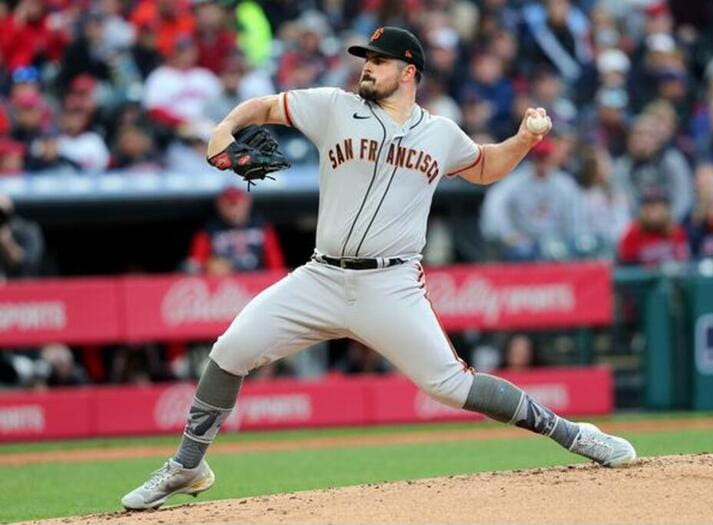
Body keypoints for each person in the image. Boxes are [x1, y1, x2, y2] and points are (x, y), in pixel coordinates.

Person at [121, 26, 636, 512]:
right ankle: (187, 465)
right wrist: (223, 129)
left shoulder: (440, 132)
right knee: (231, 350)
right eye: (366, 59)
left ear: (408, 70)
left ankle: (574, 434)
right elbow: (264, 106)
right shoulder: (334, 107)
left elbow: (483, 167)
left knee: (452, 386)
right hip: (321, 277)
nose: (367, 67)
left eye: (379, 60)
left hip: (391, 285)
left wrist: (524, 140)